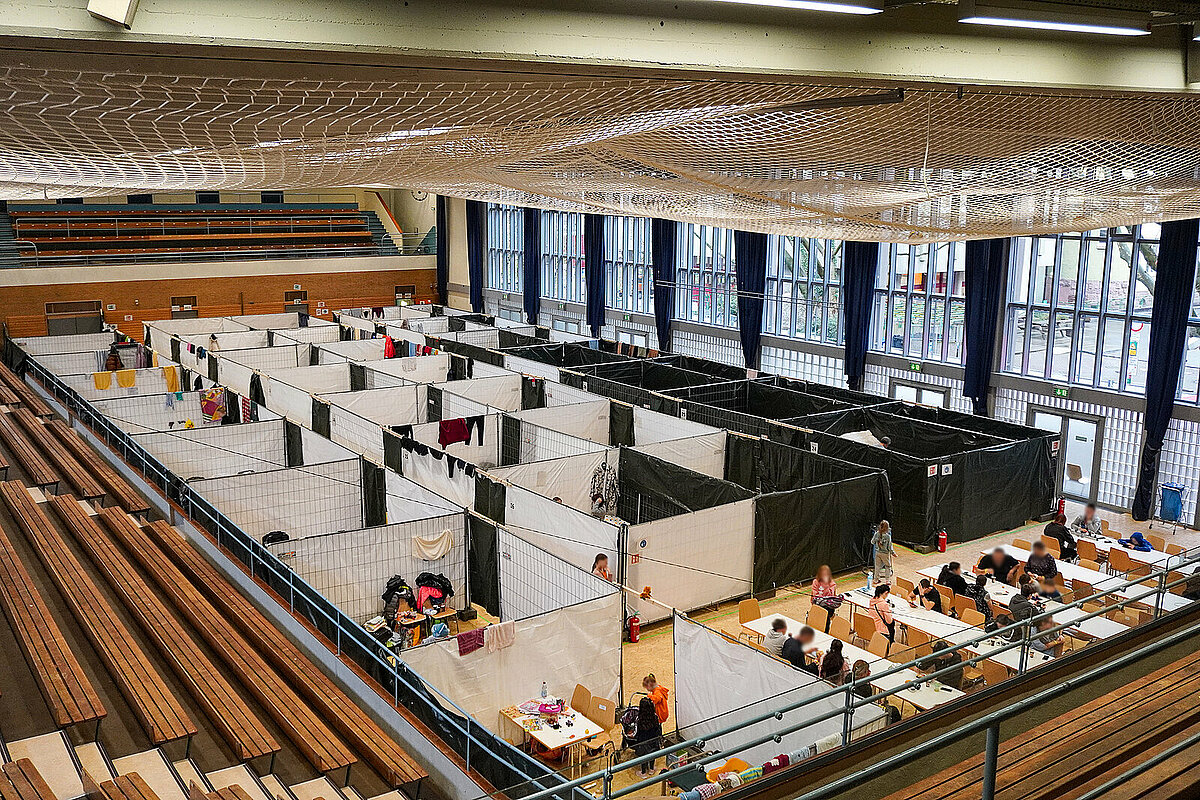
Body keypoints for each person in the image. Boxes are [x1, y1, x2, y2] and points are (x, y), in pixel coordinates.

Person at [632, 697, 662, 774]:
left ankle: (643, 772)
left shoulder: (639, 719)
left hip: (643, 742)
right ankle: (651, 769)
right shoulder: (655, 717)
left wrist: (632, 735)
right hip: (653, 741)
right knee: (652, 755)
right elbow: (658, 729)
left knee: (643, 757)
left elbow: (636, 732)